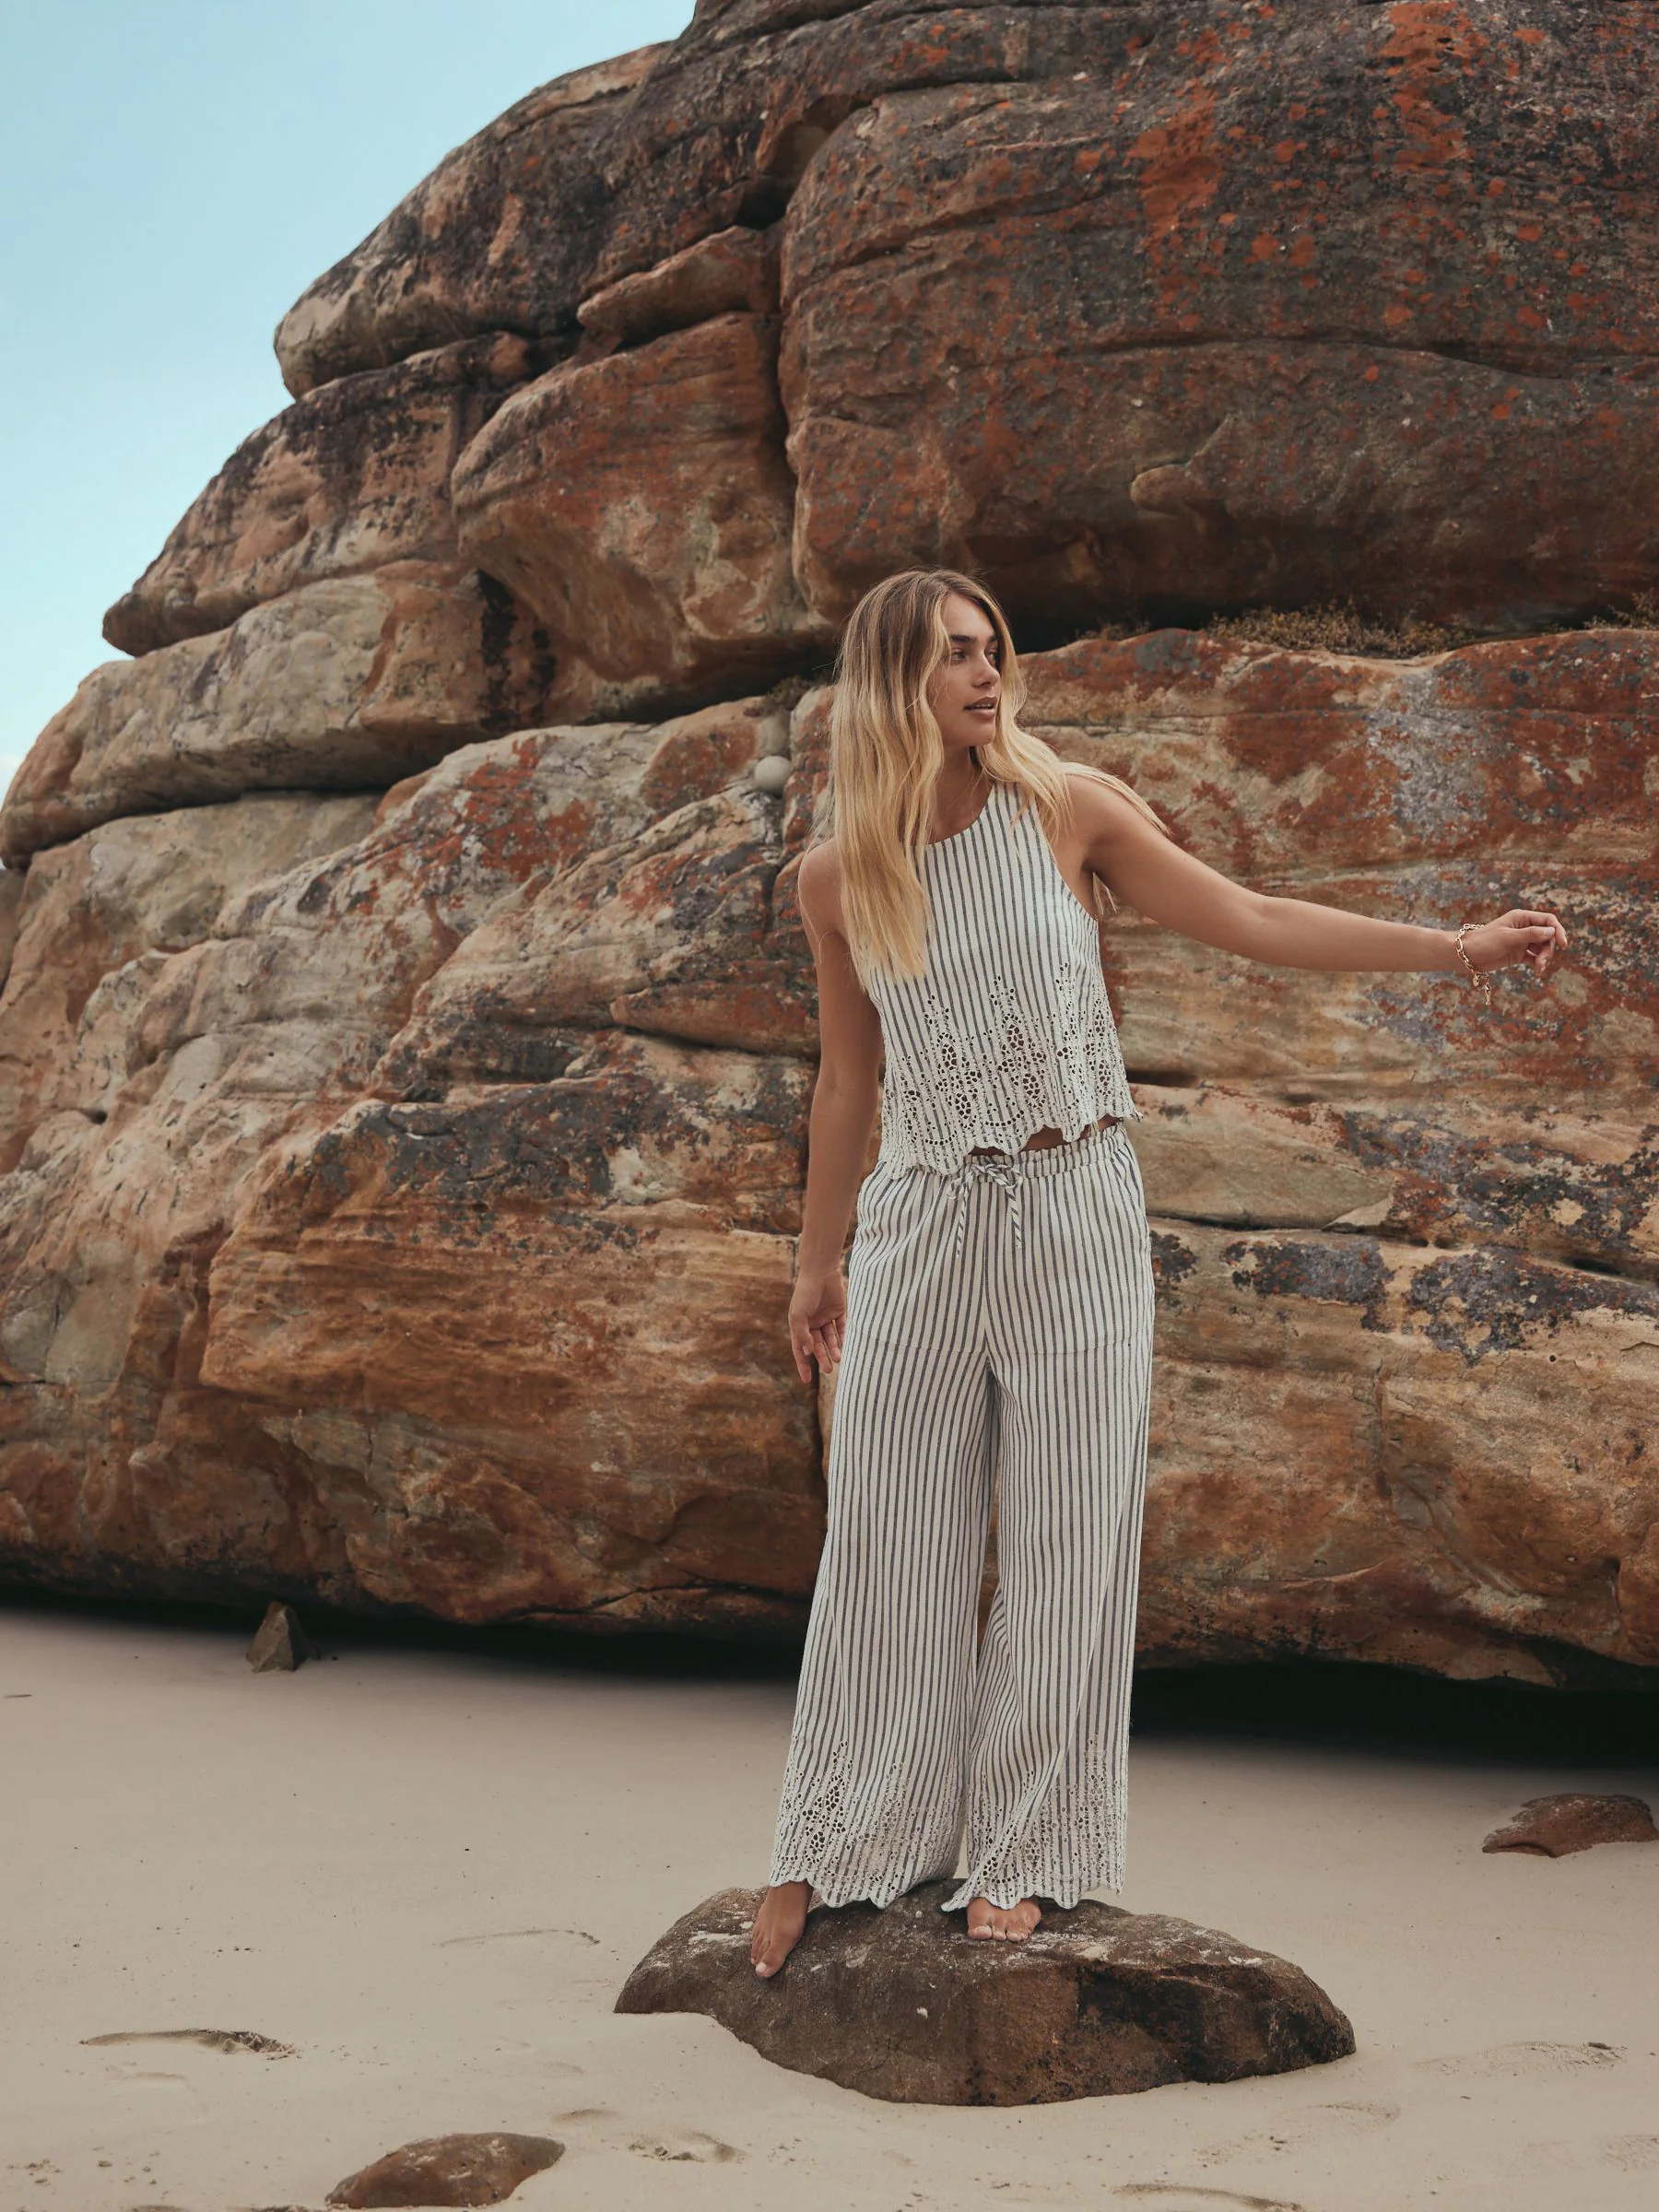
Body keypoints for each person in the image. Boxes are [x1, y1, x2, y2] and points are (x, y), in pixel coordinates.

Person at [749, 569, 1567, 1978]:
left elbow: (1252, 919)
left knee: (1068, 1531)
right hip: (919, 1226)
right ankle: (845, 1837)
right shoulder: (838, 876)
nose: (988, 675)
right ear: (892, 682)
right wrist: (816, 1267)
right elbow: (844, 1082)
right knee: (888, 1537)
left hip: (1075, 1207)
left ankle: (1023, 1850)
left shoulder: (1064, 808)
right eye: (955, 655)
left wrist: (1457, 948)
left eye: (993, 650)